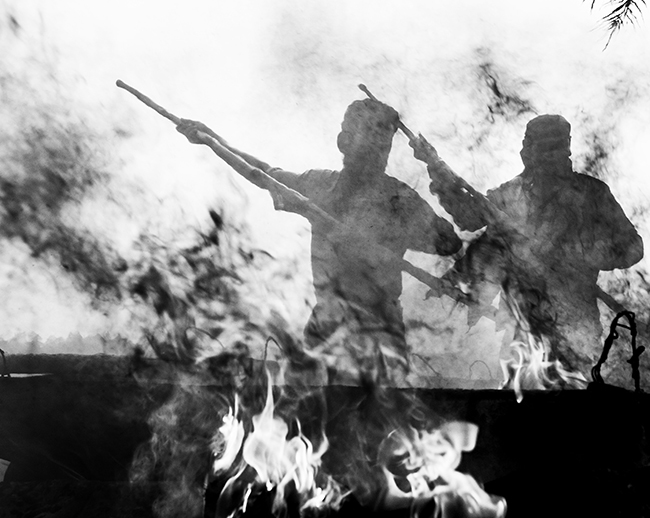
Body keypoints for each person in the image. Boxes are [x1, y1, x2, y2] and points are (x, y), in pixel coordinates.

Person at [176, 98, 463, 383]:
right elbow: (263, 173)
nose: (377, 151)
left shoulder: (400, 199)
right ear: (344, 141)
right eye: (369, 138)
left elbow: (448, 245)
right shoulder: (319, 186)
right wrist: (212, 140)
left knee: (380, 414)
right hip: (325, 326)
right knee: (310, 413)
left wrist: (437, 173)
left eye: (383, 143)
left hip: (381, 334)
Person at [431, 115, 643, 376]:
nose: (544, 157)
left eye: (552, 149)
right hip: (520, 324)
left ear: (565, 149)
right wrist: (438, 174)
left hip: (574, 326)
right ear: (527, 149)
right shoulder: (510, 193)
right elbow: (470, 219)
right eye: (537, 148)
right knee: (519, 403)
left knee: (571, 403)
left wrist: (579, 254)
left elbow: (632, 246)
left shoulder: (592, 193)